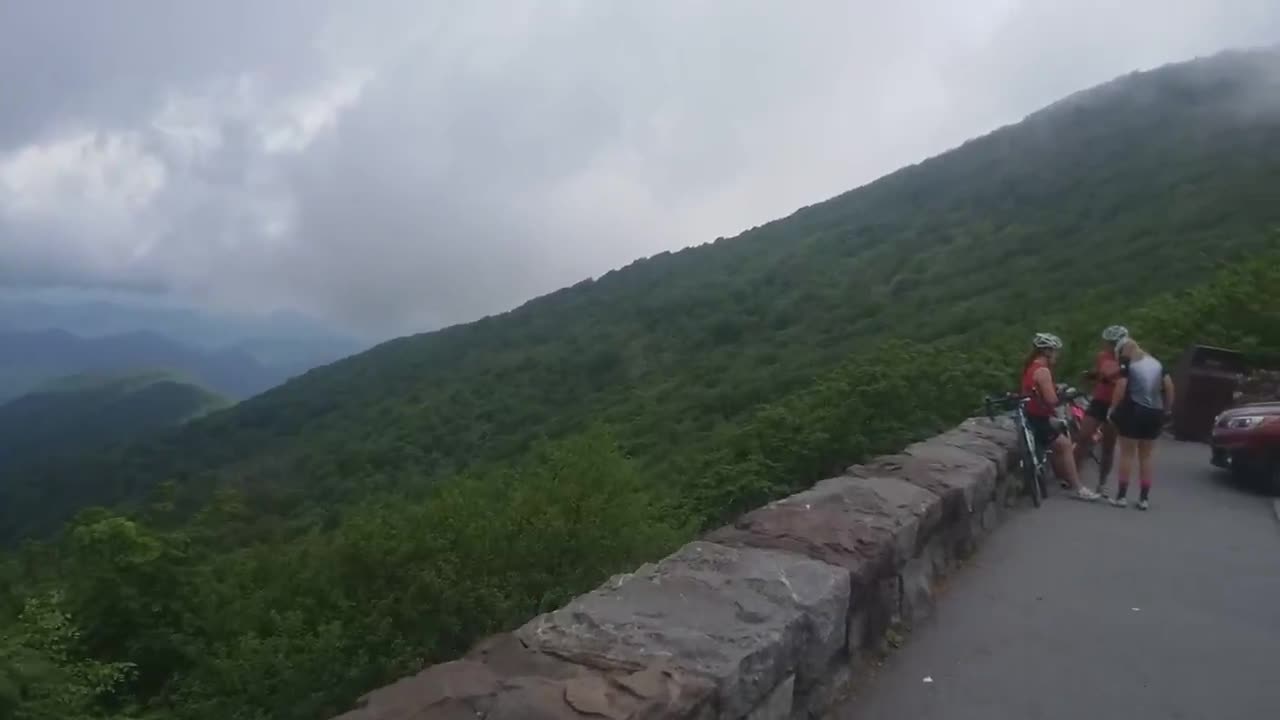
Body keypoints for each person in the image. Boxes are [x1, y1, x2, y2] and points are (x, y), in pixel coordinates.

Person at [1021, 333, 1101, 501]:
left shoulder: (1032, 367)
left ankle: (1064, 478)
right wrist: (1064, 394)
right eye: (1055, 352)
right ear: (1047, 352)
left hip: (1030, 414)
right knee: (1064, 445)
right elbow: (1052, 400)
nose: (1057, 356)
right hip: (1038, 417)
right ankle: (1078, 487)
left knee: (1059, 441)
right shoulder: (1043, 371)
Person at [1108, 337, 1175, 510]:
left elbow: (1121, 387)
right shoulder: (1157, 364)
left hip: (1133, 411)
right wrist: (1166, 409)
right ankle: (1144, 498)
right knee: (1146, 456)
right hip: (1155, 412)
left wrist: (1113, 409)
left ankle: (1122, 496)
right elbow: (1169, 386)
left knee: (1127, 454)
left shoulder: (1127, 363)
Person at [1074, 325, 1127, 496]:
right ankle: (1073, 477)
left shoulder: (1128, 359)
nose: (1109, 346)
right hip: (1099, 400)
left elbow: (1118, 377)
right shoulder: (1102, 356)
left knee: (1108, 446)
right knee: (1083, 436)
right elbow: (1101, 373)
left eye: (1113, 343)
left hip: (1117, 404)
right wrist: (1091, 375)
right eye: (1108, 342)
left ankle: (1102, 483)